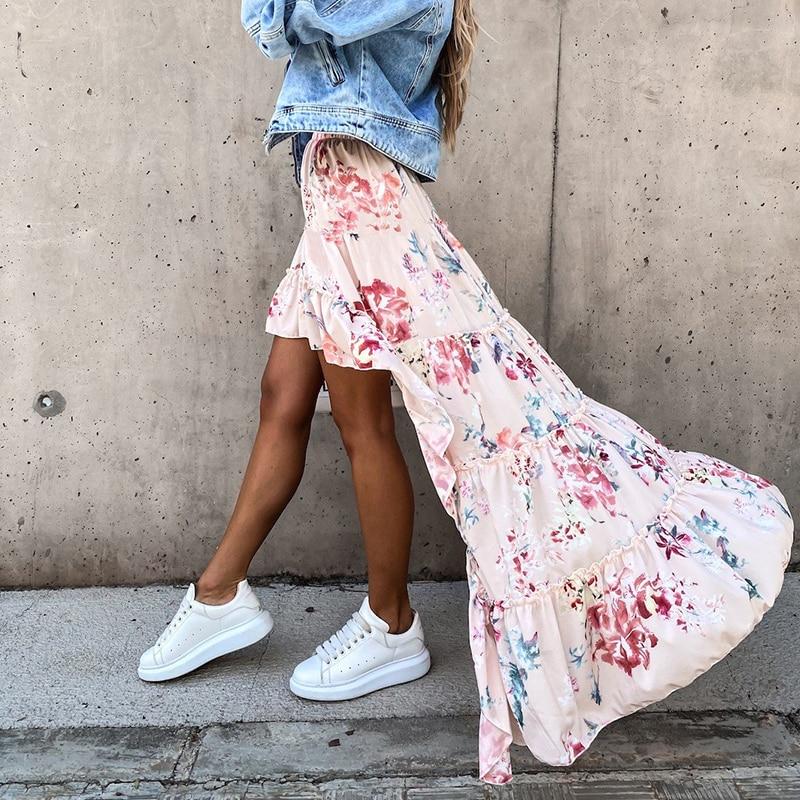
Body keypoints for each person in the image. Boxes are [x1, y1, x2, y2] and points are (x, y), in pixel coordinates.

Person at [137, 0, 795, 784]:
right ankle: (220, 597)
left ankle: (389, 623)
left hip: (362, 201)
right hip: (335, 195)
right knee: (282, 396)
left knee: (365, 421)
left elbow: (288, 21)